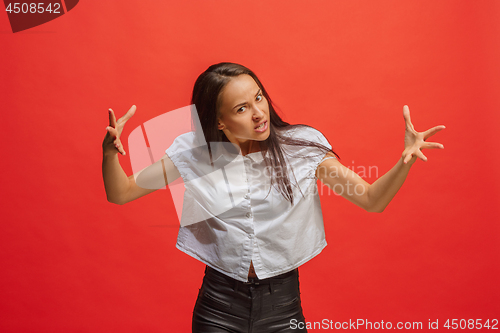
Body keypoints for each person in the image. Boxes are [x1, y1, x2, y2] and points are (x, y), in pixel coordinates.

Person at [102, 62, 445, 332]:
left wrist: (405, 162)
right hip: (218, 305)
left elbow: (372, 200)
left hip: (283, 307)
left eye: (259, 97)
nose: (258, 113)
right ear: (218, 121)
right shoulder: (193, 154)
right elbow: (121, 193)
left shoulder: (302, 148)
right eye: (241, 108)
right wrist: (109, 155)